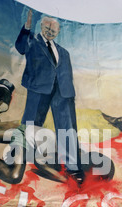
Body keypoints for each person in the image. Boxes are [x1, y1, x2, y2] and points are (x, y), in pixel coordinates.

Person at [15, 10, 84, 185]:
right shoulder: (32, 41)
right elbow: (21, 48)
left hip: (63, 93)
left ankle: (73, 168)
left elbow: (66, 73)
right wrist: (27, 27)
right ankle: (20, 157)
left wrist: (70, 94)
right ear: (41, 26)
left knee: (67, 130)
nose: (50, 32)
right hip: (38, 89)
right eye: (47, 28)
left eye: (53, 30)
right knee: (30, 125)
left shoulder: (64, 52)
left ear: (58, 32)